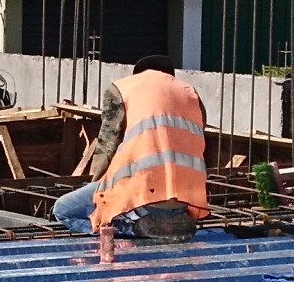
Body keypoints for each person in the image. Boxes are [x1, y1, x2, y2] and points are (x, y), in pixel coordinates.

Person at [52, 59, 210, 239]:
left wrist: (99, 191)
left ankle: (133, 228)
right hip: (186, 199)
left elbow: (107, 145)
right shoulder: (191, 94)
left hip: (142, 196)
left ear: (137, 74)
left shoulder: (122, 89)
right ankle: (168, 222)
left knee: (63, 210)